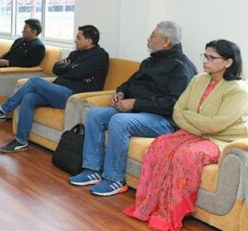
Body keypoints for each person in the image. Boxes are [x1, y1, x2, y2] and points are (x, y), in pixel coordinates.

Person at [124, 39, 248, 231]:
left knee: (186, 155)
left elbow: (216, 124)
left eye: (211, 58)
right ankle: (149, 206)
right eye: (204, 56)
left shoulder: (237, 90)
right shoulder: (199, 80)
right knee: (159, 146)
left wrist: (191, 118)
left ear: (228, 62)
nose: (205, 61)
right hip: (193, 132)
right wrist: (196, 123)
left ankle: (171, 212)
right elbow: (178, 110)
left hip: (220, 139)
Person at [69, 22, 197, 196]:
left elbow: (172, 103)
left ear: (166, 41)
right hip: (138, 112)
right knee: (95, 114)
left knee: (119, 121)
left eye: (152, 35)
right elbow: (130, 83)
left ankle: (115, 179)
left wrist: (136, 103)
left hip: (163, 120)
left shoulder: (180, 67)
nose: (148, 39)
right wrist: (121, 93)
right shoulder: (150, 61)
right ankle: (92, 169)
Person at [0, 25, 110, 153]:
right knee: (29, 98)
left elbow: (78, 73)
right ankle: (21, 141)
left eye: (78, 37)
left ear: (89, 40)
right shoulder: (75, 54)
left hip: (73, 96)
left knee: (34, 81)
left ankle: (2, 110)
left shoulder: (100, 57)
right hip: (58, 90)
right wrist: (72, 67)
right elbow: (56, 68)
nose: (75, 40)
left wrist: (69, 68)